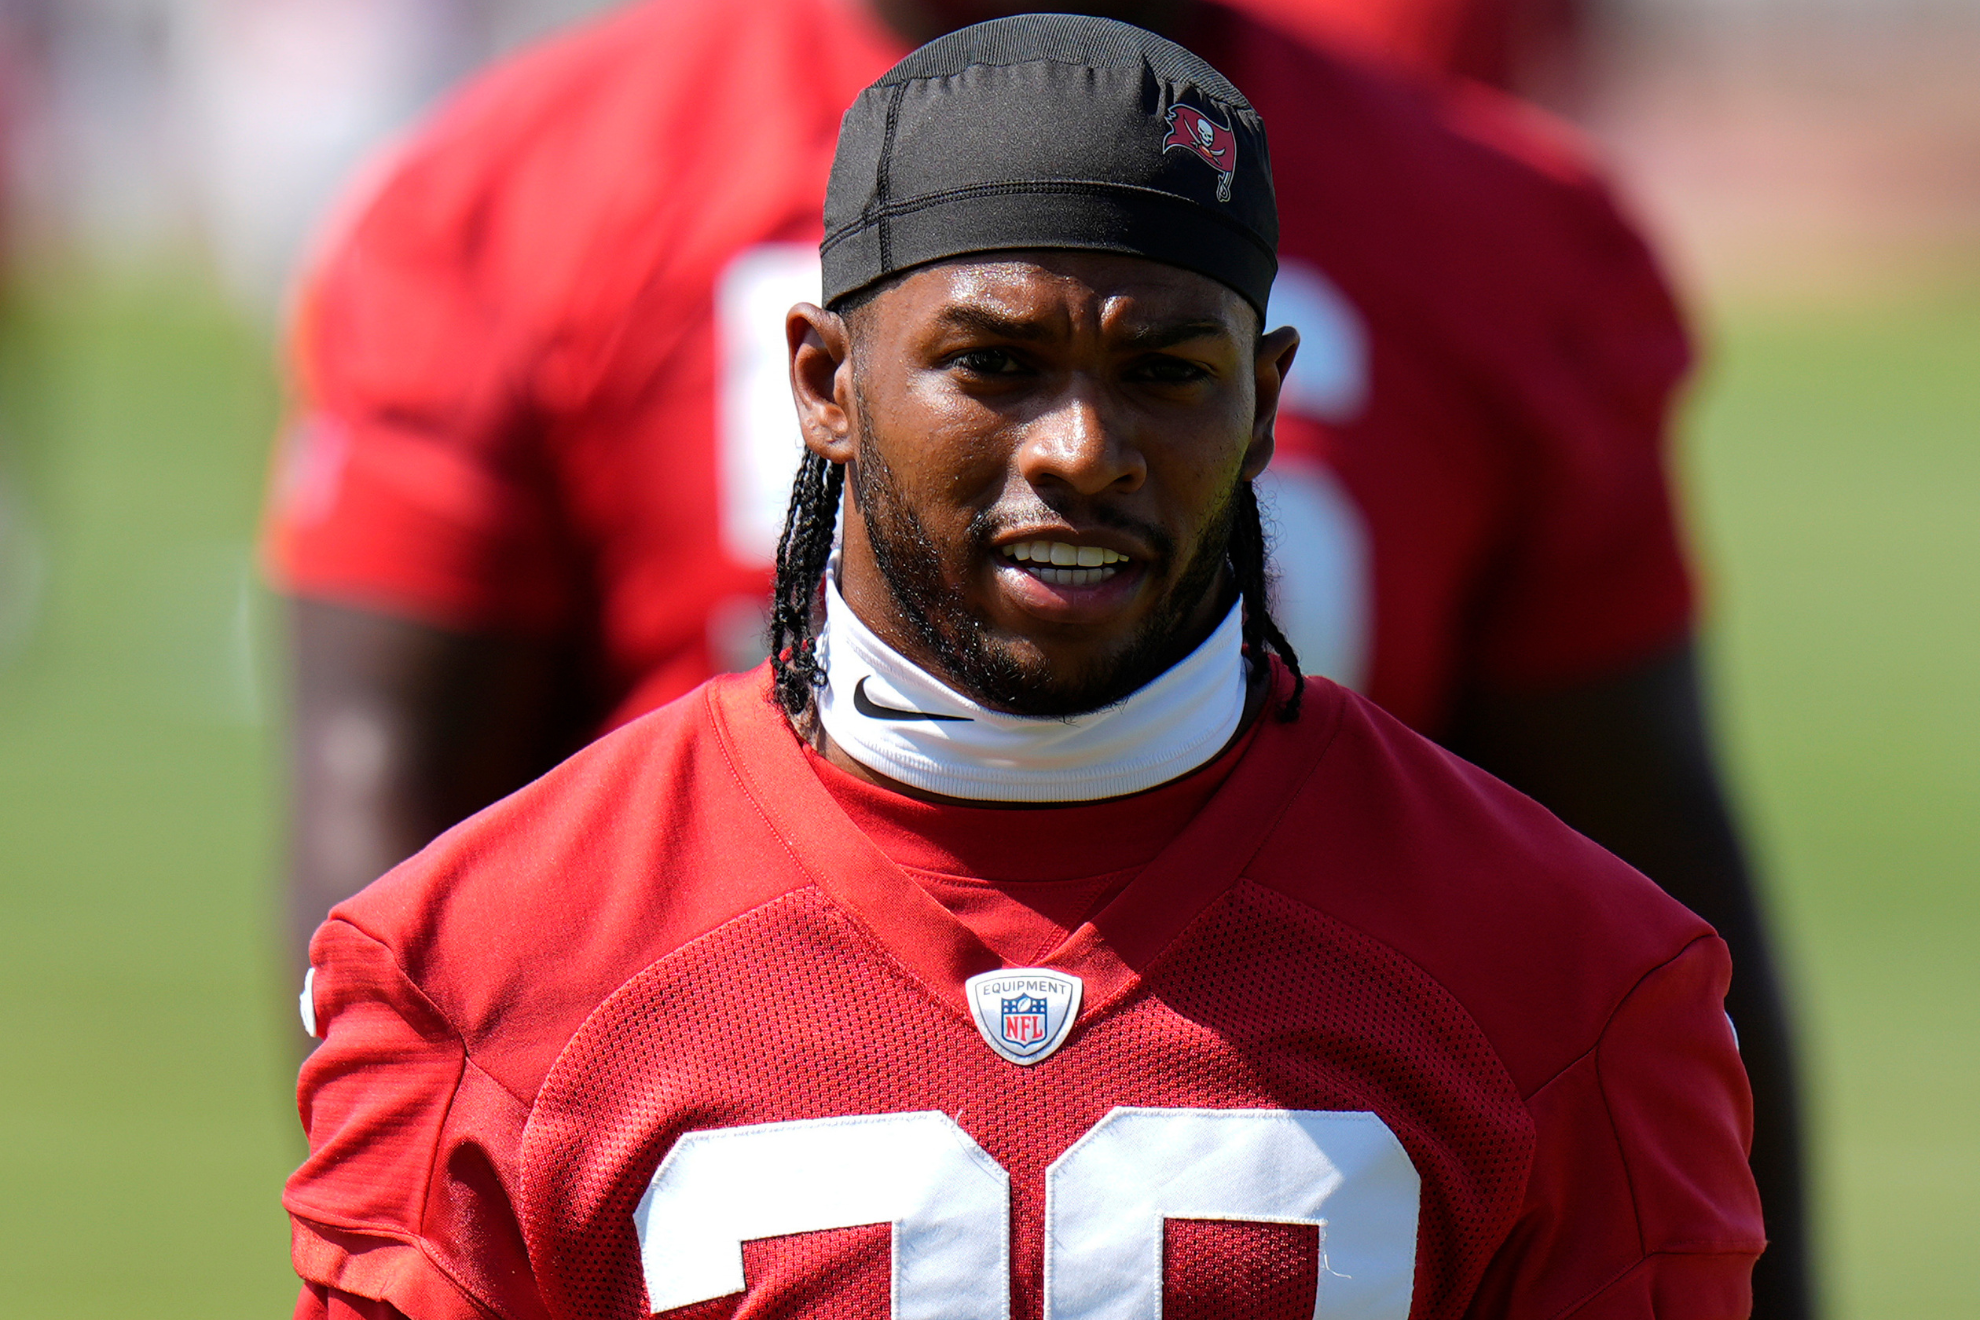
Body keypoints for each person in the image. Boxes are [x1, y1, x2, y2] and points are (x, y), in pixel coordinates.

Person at [263, 0, 1811, 1314]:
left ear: (1266, 399)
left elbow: (1641, 807)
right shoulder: (486, 969)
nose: (1081, 449)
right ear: (823, 382)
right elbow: (384, 775)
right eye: (996, 364)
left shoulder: (1571, 980)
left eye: (1163, 373)